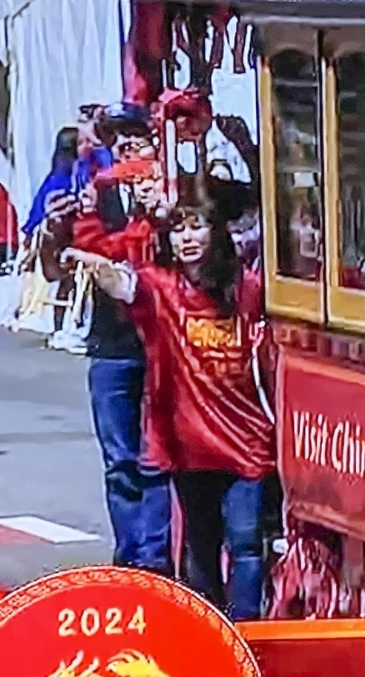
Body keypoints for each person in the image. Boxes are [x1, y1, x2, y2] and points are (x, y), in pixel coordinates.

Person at [64, 202, 274, 620]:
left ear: (217, 233)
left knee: (247, 544)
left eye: (197, 227)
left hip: (247, 440)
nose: (187, 238)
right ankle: (207, 632)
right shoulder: (160, 287)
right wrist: (89, 261)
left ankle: (249, 635)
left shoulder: (248, 288)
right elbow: (120, 281)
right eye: (178, 230)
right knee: (201, 546)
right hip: (189, 443)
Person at [37, 130, 172, 578]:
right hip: (111, 346)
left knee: (158, 457)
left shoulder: (174, 192)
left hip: (163, 343)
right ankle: (131, 555)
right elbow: (56, 269)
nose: (128, 148)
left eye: (137, 138)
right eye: (118, 140)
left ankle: (156, 558)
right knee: (120, 461)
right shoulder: (95, 196)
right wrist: (54, 230)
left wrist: (161, 212)